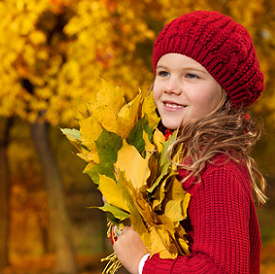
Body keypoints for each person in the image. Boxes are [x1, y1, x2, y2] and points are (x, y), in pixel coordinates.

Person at [112, 11, 267, 274]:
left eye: (191, 76)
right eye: (163, 73)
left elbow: (222, 269)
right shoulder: (170, 155)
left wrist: (142, 264)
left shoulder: (216, 168)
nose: (170, 86)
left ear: (225, 92)